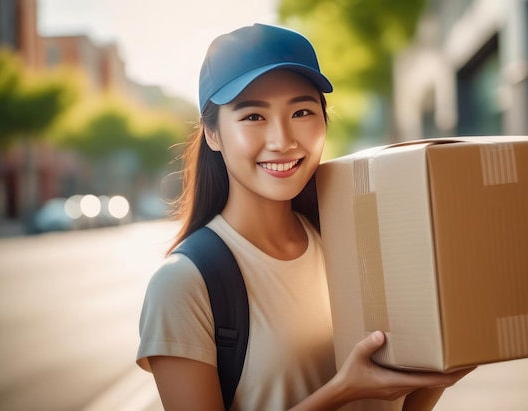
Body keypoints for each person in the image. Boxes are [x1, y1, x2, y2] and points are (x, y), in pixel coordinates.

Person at [136, 23, 473, 410]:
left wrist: (445, 367)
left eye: (301, 111)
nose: (283, 140)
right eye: (253, 117)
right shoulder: (183, 284)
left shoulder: (357, 244)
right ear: (213, 134)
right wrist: (344, 390)